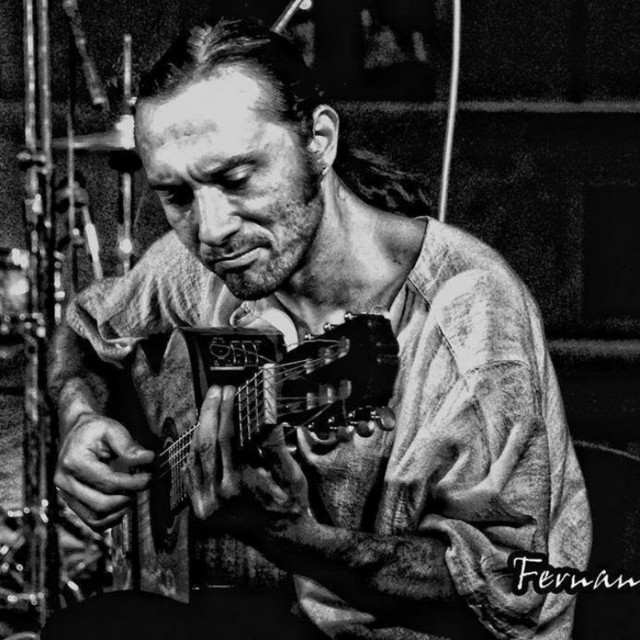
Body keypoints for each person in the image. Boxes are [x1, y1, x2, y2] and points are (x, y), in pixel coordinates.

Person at [44, 17, 591, 640]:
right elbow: (84, 329)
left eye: (237, 178)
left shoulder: (467, 316)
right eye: (177, 196)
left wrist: (290, 536)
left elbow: (511, 585)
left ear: (320, 141)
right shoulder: (207, 262)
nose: (212, 229)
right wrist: (79, 416)